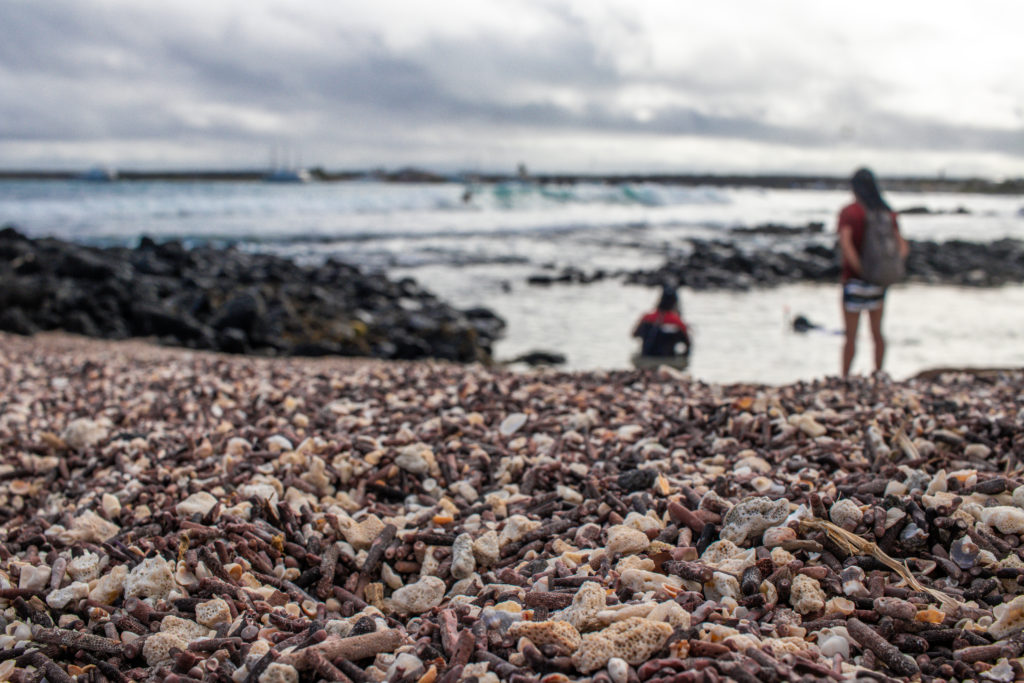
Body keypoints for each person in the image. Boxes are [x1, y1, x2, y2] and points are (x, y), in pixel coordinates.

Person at [837, 168, 909, 378]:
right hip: (878, 281)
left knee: (850, 335)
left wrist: (860, 269)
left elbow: (846, 243)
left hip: (855, 280)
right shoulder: (886, 212)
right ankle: (878, 373)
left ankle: (845, 376)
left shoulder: (850, 212)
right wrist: (889, 269)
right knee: (877, 332)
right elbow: (902, 246)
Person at [632, 286, 691, 367]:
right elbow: (687, 345)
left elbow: (634, 335)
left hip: (646, 358)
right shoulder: (677, 321)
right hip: (670, 361)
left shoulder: (647, 317)